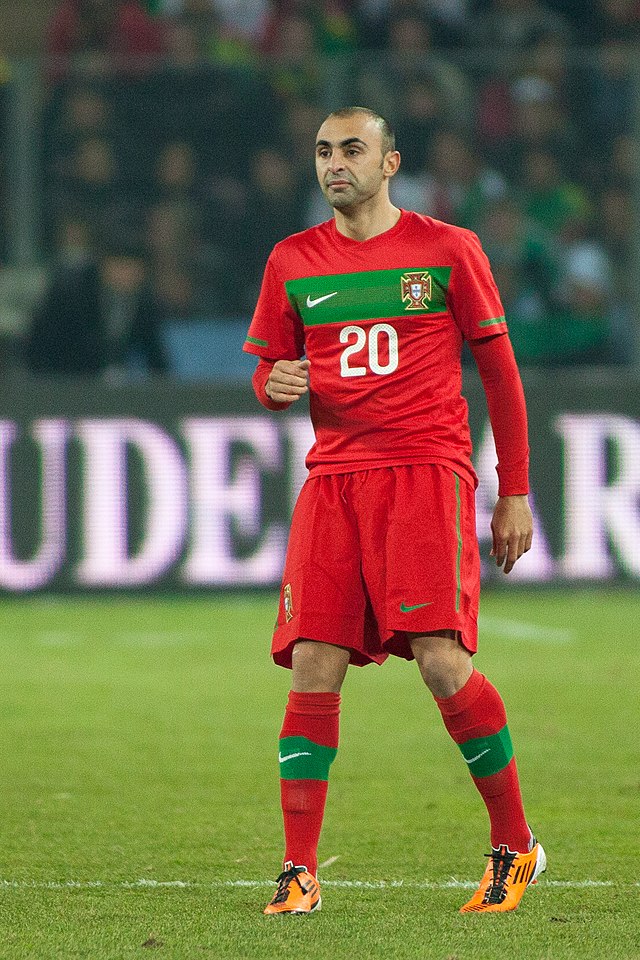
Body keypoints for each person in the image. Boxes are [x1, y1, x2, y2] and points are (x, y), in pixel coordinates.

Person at [243, 106, 546, 916]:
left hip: (425, 475)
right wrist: (270, 386)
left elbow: (502, 376)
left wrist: (512, 489)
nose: (334, 163)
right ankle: (299, 871)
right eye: (322, 151)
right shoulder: (292, 261)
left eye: (352, 149)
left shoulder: (448, 249)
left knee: (443, 661)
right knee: (313, 661)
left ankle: (516, 848)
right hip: (333, 481)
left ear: (389, 164)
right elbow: (272, 367)